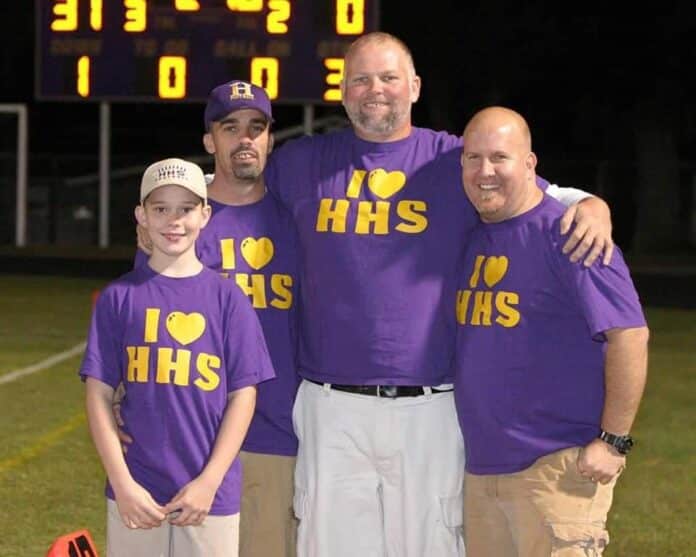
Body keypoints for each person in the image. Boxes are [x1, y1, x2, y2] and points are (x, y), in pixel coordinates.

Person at [259, 31, 617, 557]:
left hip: (431, 405)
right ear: (341, 90)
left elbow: (532, 190)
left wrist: (590, 203)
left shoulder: (452, 161)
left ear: (414, 86)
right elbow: (231, 189)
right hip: (328, 404)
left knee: (429, 546)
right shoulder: (303, 162)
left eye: (387, 77)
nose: (374, 90)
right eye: (360, 78)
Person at [454, 106, 649, 556]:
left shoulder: (572, 233)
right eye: (473, 158)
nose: (485, 171)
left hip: (558, 467)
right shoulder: (474, 236)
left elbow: (630, 334)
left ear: (530, 165)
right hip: (483, 471)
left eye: (500, 157)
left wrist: (613, 440)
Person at [133, 82, 301, 557]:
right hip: (190, 440)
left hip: (276, 435)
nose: (245, 139)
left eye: (257, 128)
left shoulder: (296, 219)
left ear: (270, 139)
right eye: (231, 128)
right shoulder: (180, 220)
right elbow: (143, 322)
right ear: (210, 141)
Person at [81, 157, 275, 557]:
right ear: (142, 216)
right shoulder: (119, 297)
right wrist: (122, 482)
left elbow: (244, 394)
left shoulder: (228, 299)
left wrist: (209, 482)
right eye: (160, 208)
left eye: (185, 209)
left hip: (210, 494)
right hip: (136, 489)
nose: (174, 220)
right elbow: (98, 393)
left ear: (205, 215)